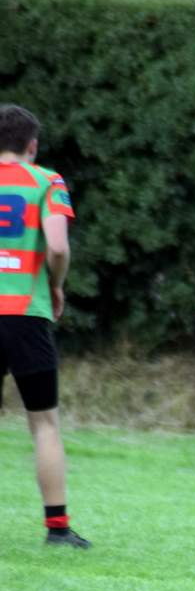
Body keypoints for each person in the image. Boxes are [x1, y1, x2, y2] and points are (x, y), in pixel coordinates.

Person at [0, 104, 88, 548]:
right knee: (45, 424)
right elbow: (57, 246)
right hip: (24, 314)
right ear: (31, 146)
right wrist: (55, 286)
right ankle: (57, 528)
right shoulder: (47, 182)